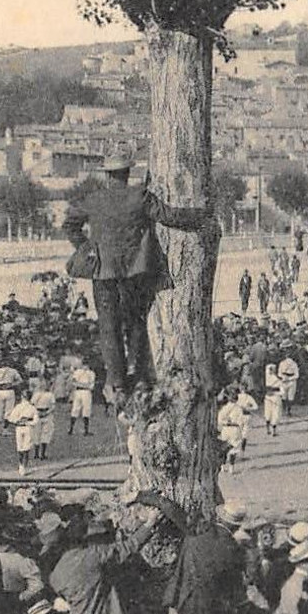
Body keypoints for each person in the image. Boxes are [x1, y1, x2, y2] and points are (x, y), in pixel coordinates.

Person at [64, 152, 216, 395]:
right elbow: (170, 217)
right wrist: (202, 214)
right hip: (135, 270)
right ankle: (139, 373)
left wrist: (86, 248)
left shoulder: (94, 199)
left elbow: (70, 224)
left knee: (108, 325)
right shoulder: (140, 196)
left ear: (107, 174)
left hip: (103, 271)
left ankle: (116, 379)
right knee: (136, 321)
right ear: (127, 174)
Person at [68, 364, 96, 436]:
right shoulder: (80, 372)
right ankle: (73, 429)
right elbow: (74, 382)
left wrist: (79, 384)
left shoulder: (90, 373)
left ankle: (80, 430)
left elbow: (91, 385)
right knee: (79, 409)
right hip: (82, 391)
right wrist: (84, 385)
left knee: (82, 410)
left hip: (83, 391)